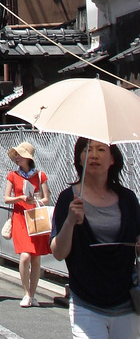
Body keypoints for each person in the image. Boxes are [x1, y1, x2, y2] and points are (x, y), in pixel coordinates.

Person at [51, 136, 140, 339]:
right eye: (87, 150)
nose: (93, 155)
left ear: (112, 159)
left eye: (101, 150)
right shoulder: (68, 198)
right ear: (79, 159)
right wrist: (70, 221)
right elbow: (58, 252)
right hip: (86, 302)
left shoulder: (128, 199)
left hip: (126, 301)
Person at [4, 141, 51, 307]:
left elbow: (47, 198)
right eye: (16, 155)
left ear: (28, 158)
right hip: (19, 218)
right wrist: (21, 198)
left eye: (20, 155)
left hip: (35, 217)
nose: (17, 158)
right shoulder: (12, 175)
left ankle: (32, 294)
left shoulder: (40, 176)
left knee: (36, 258)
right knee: (25, 256)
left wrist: (35, 199)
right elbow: (6, 198)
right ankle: (25, 293)